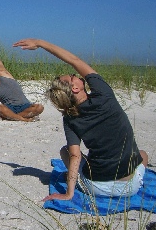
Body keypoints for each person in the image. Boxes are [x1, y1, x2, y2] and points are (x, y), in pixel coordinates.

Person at [13, 39, 148, 201]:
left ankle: (78, 182)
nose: (75, 75)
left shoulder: (70, 118)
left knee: (66, 150)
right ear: (75, 88)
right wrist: (40, 43)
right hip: (129, 189)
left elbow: (75, 156)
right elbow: (74, 61)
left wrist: (69, 194)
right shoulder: (104, 95)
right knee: (143, 154)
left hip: (95, 187)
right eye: (72, 77)